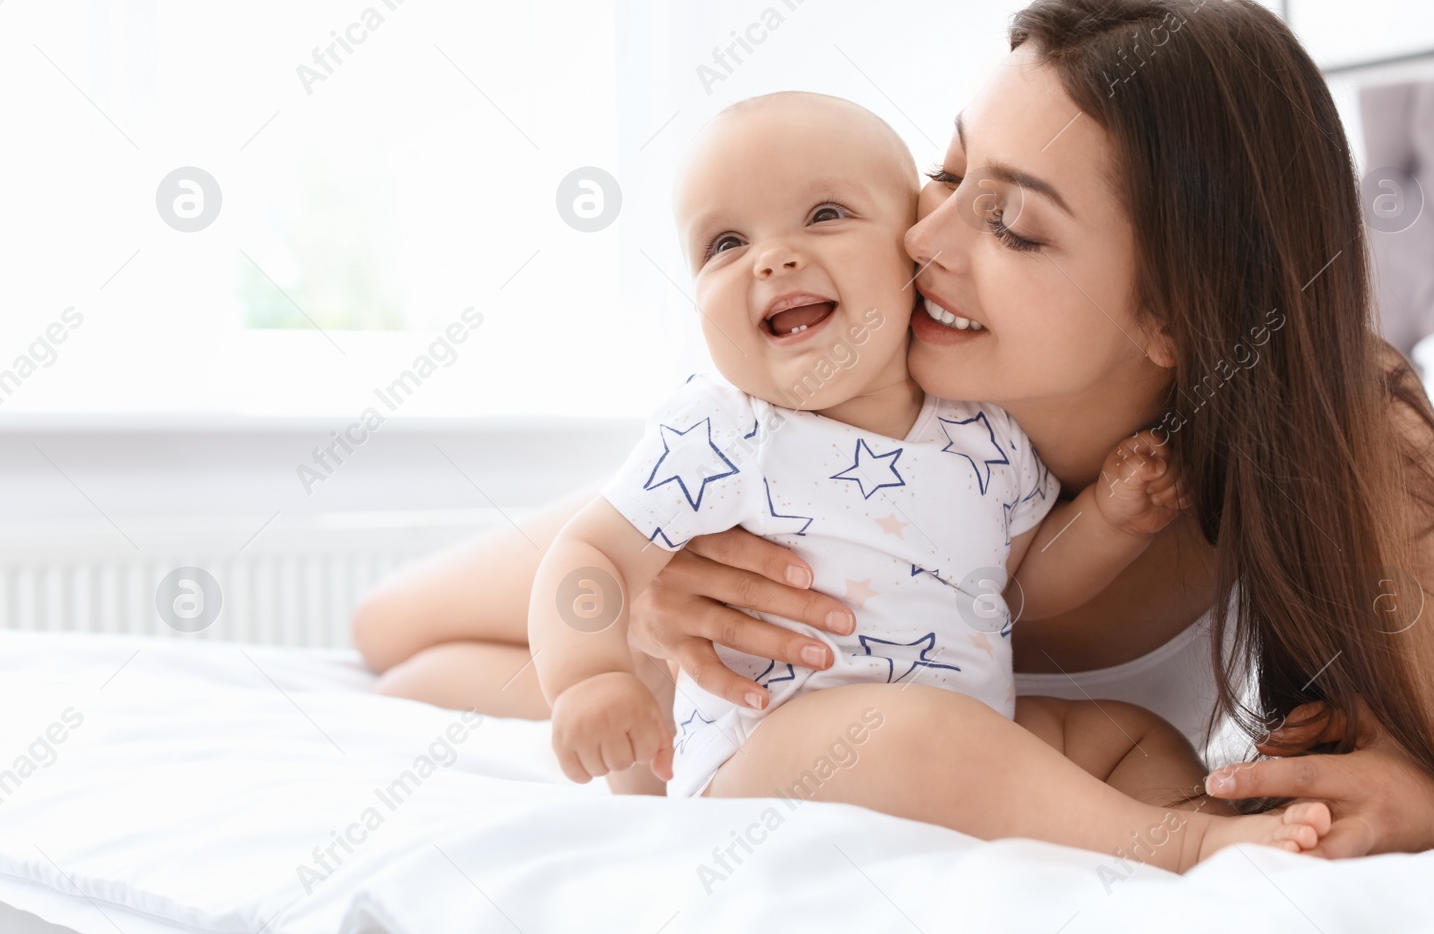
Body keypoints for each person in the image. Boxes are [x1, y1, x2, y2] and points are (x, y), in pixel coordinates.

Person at [355, 0, 1434, 858]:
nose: (921, 239)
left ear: (1173, 316)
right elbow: (600, 571)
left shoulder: (1351, 440)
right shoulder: (854, 394)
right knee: (386, 630)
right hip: (758, 589)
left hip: (866, 705)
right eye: (945, 170)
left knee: (447, 677)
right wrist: (645, 609)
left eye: (1015, 226)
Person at [522, 92, 1327, 868]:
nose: (773, 256)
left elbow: (1018, 587)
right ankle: (1183, 850)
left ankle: (1172, 834)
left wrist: (1111, 522)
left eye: (826, 215)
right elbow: (585, 558)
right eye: (724, 244)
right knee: (912, 734)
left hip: (969, 734)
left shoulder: (981, 428)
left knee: (1130, 733)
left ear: (912, 245)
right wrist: (590, 676)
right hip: (768, 754)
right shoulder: (723, 429)